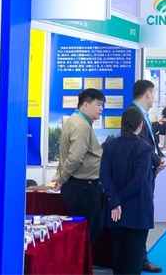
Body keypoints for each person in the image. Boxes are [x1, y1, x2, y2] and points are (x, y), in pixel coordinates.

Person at [100, 108, 154, 275]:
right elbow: (139, 179)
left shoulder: (109, 145)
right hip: (138, 208)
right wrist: (119, 200)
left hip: (115, 209)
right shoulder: (144, 148)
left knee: (119, 255)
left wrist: (115, 201)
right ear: (141, 125)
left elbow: (104, 176)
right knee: (134, 257)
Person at [52, 88, 105, 245]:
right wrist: (62, 178)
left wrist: (61, 174)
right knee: (84, 234)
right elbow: (75, 157)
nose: (101, 109)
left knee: (90, 230)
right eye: (98, 105)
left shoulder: (75, 120)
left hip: (82, 186)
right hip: (83, 187)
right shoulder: (81, 125)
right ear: (86, 104)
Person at [124, 80, 165, 273]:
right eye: (154, 92)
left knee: (144, 215)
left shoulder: (144, 115)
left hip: (149, 171)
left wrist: (161, 158)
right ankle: (139, 259)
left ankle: (140, 257)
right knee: (140, 217)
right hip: (139, 175)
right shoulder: (133, 114)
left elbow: (152, 144)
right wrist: (157, 161)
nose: (154, 97)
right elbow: (141, 145)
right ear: (148, 93)